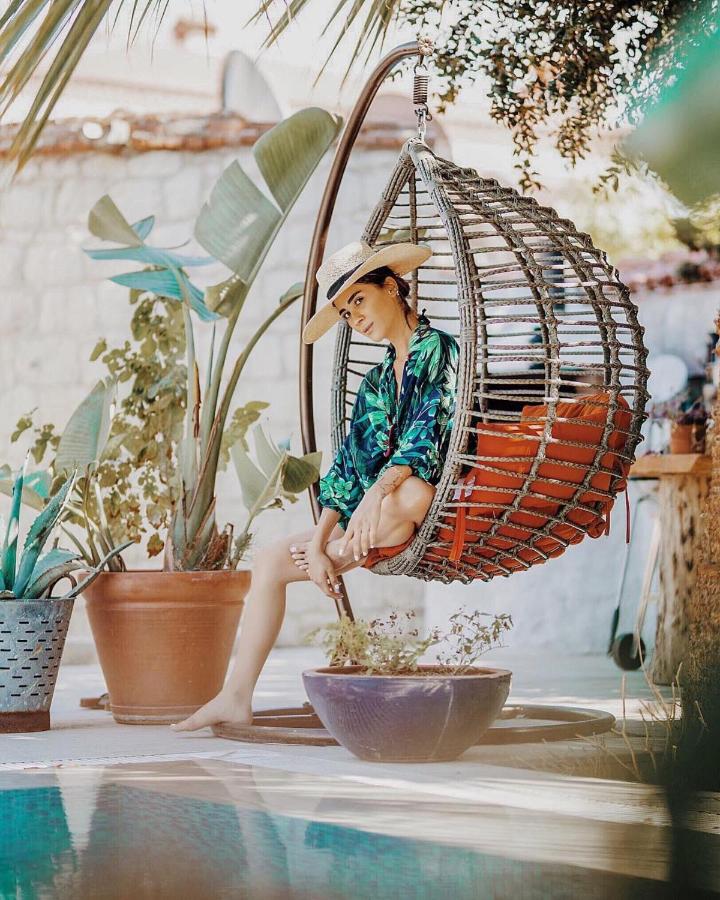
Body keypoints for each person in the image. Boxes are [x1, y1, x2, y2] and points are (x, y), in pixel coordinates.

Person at [170, 239, 459, 732]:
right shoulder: (374, 383)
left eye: (359, 300)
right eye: (345, 313)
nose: (355, 318)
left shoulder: (439, 349)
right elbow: (347, 467)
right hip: (372, 521)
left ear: (391, 287)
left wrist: (375, 497)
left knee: (410, 493)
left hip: (422, 506)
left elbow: (425, 438)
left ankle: (349, 549)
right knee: (269, 561)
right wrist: (320, 544)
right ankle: (235, 696)